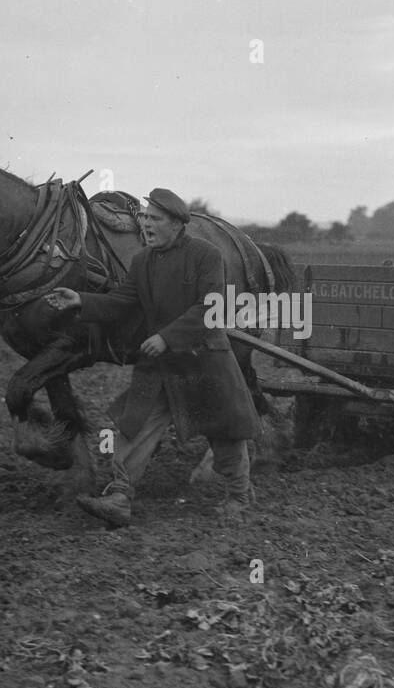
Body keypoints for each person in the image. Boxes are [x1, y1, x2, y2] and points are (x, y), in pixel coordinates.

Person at [45, 188, 259, 528]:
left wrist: (166, 337)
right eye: (143, 216)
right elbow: (122, 301)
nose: (145, 224)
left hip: (203, 360)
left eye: (154, 218)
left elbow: (210, 308)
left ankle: (239, 496)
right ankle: (119, 497)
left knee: (225, 431)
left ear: (176, 224)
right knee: (135, 423)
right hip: (160, 364)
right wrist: (80, 302)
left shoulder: (206, 255)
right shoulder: (142, 261)